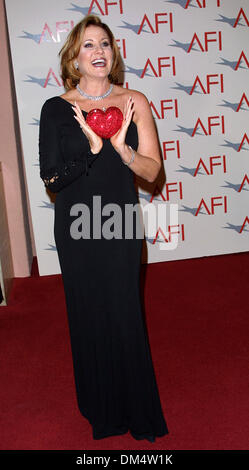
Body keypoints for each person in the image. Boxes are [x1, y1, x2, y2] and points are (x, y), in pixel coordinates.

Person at [39, 14, 169, 443]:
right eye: (89, 45)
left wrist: (123, 151)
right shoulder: (56, 109)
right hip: (76, 227)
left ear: (114, 55)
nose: (100, 51)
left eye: (106, 44)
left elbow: (152, 173)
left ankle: (137, 408)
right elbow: (52, 179)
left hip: (119, 223)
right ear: (74, 59)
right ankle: (102, 408)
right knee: (89, 314)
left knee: (125, 312)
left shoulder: (135, 101)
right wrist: (91, 151)